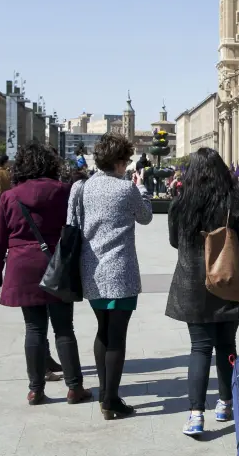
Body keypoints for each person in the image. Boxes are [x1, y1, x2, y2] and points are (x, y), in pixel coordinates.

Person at [165, 147, 239, 436]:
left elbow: (174, 241)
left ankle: (196, 415)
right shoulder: (233, 203)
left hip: (193, 284)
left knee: (199, 348)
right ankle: (225, 403)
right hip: (229, 282)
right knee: (227, 345)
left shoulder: (180, 203)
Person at [0, 142, 90, 405]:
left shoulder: (10, 196)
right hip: (58, 263)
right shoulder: (64, 191)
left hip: (22, 266)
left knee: (34, 328)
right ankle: (74, 387)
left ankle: (36, 389)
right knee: (64, 327)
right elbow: (79, 228)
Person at [72, 132, 153, 420]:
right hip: (120, 271)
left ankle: (105, 392)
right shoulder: (126, 188)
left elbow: (73, 222)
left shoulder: (82, 187)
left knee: (103, 330)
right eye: (126, 161)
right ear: (118, 162)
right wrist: (142, 188)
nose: (127, 165)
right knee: (117, 336)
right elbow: (145, 217)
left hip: (91, 270)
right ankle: (111, 399)